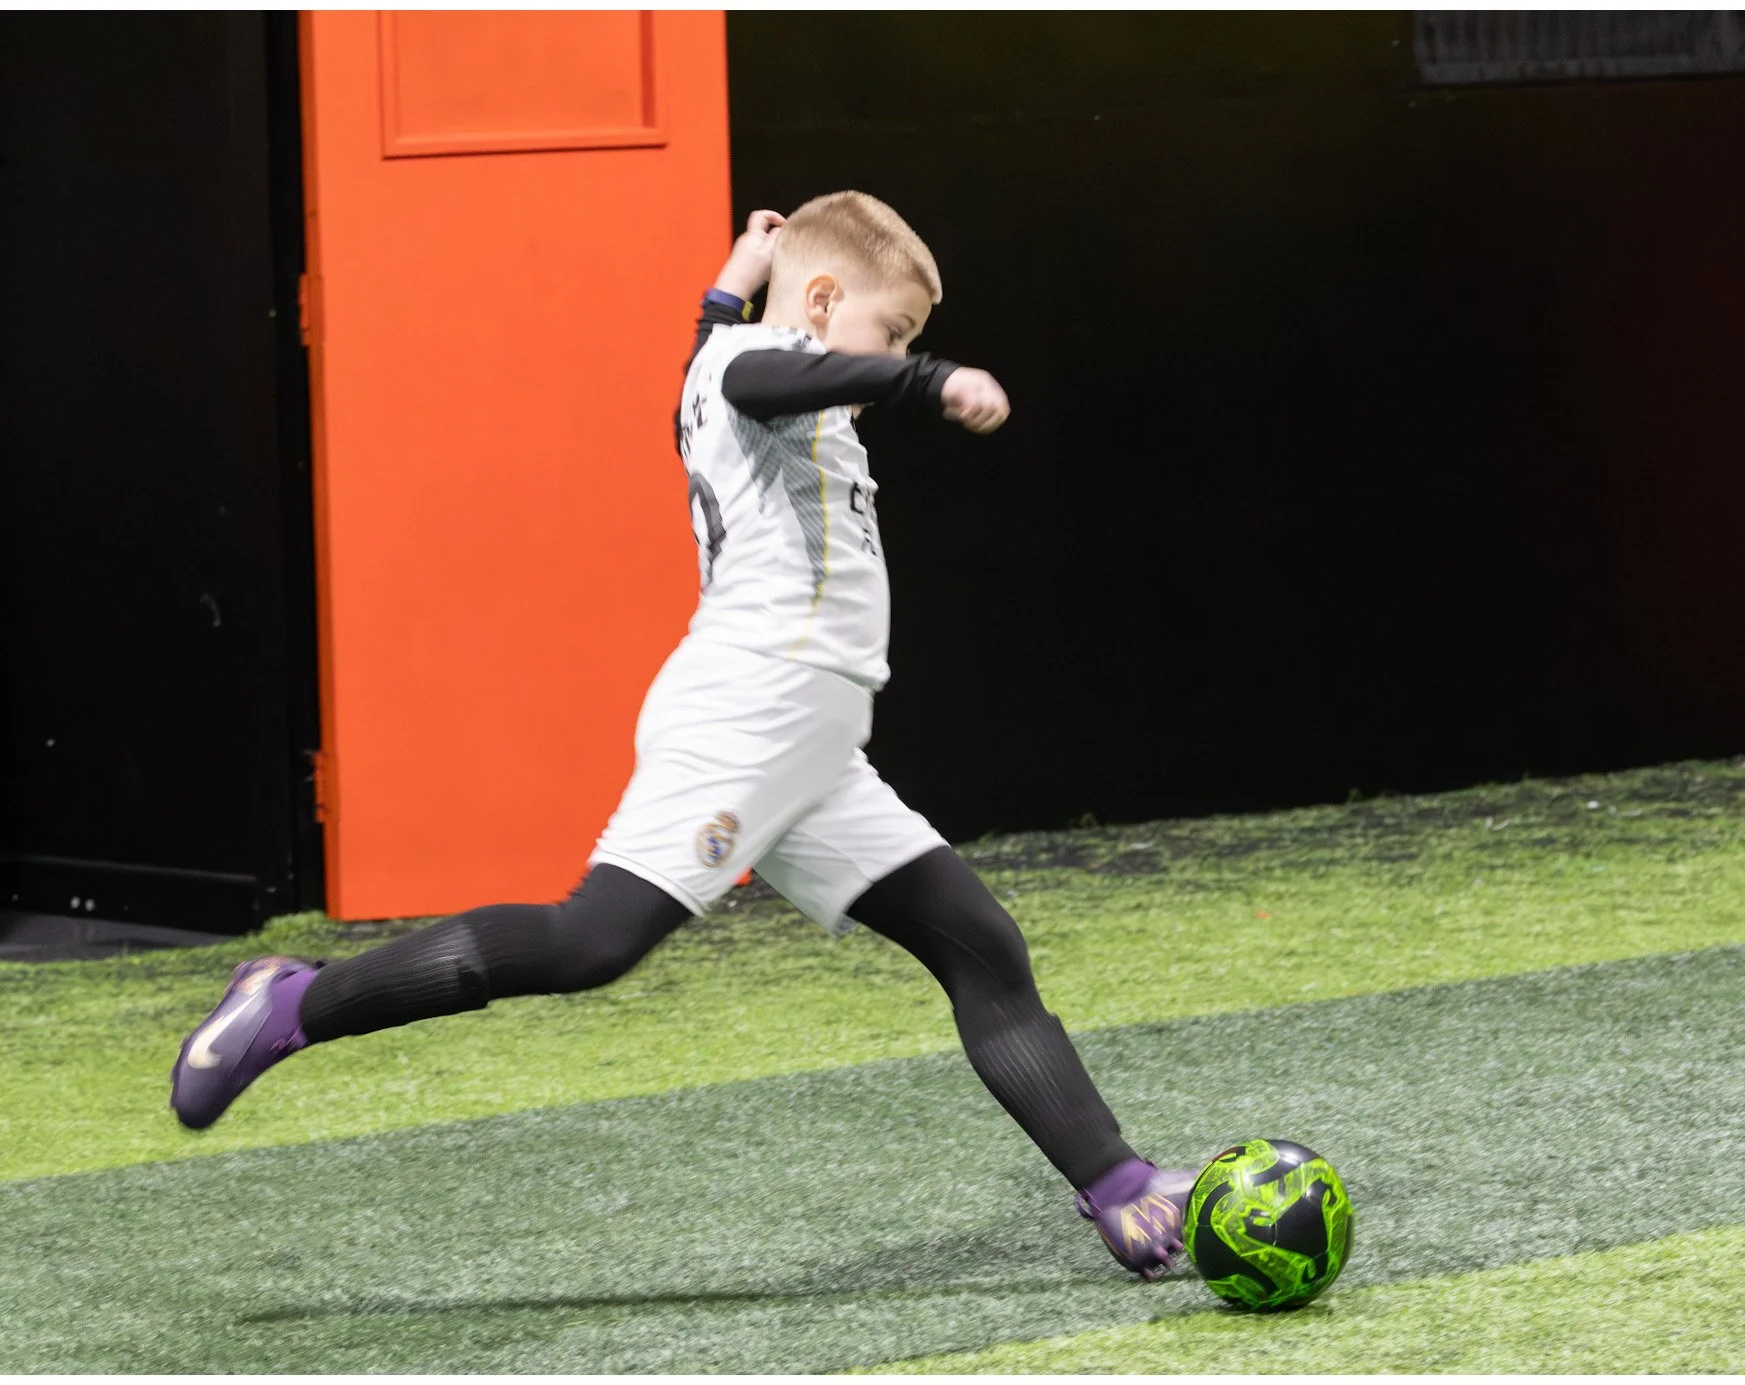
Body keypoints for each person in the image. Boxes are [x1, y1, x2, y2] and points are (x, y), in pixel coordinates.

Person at [169, 192, 1197, 1279]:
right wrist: (924, 377)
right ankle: (292, 1002)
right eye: (889, 328)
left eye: (906, 341)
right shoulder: (757, 369)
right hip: (750, 712)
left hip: (811, 739)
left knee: (979, 947)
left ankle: (1121, 1187)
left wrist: (731, 276)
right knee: (589, 942)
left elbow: (721, 343)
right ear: (819, 300)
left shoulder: (735, 348)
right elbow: (760, 367)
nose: (894, 350)